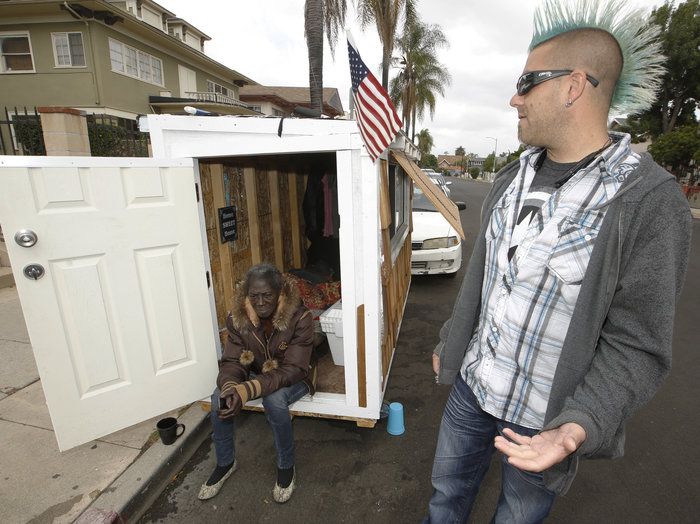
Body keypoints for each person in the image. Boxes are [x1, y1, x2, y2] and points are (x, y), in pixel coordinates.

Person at [424, 0, 693, 522]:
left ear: (573, 86)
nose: (513, 98)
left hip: (542, 422)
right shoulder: (510, 178)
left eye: (526, 83)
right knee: (443, 501)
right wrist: (451, 340)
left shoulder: (650, 203)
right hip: (472, 391)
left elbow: (638, 343)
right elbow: (488, 283)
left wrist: (578, 425)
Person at [198, 263, 315, 503]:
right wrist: (232, 387)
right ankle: (225, 462)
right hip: (259, 374)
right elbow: (232, 361)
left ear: (280, 292)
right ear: (246, 296)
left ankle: (286, 467)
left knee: (274, 400)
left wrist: (247, 389)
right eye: (254, 296)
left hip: (295, 377)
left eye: (267, 296)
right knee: (218, 395)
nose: (260, 302)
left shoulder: (300, 318)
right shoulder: (238, 319)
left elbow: (293, 369)